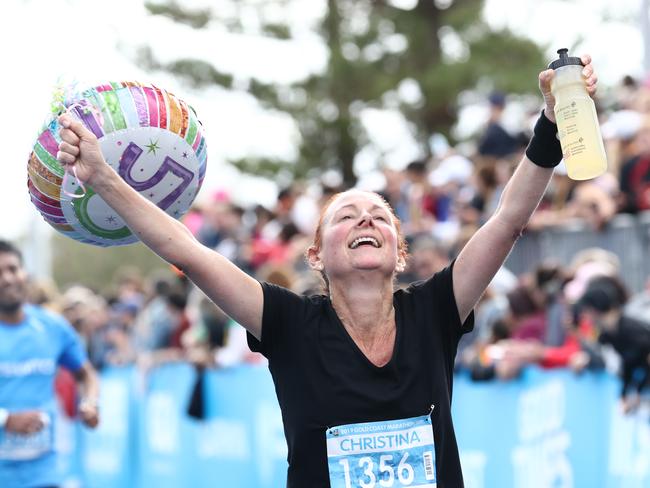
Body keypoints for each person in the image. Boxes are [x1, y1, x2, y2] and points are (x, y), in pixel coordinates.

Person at [55, 55, 598, 487]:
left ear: (399, 251)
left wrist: (550, 123)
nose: (365, 218)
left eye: (379, 215)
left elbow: (505, 222)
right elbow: (191, 253)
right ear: (316, 256)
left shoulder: (436, 309)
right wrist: (104, 179)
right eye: (346, 215)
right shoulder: (288, 323)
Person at [0, 240, 99, 488]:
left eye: (12, 269)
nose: (8, 279)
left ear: (25, 274)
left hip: (44, 474)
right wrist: (5, 420)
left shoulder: (52, 326)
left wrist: (90, 402)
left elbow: (85, 374)